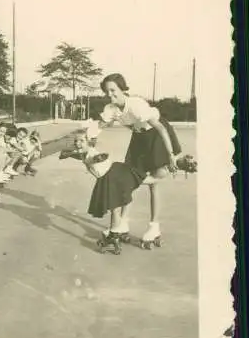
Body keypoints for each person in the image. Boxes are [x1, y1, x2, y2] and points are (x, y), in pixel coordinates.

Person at [90, 72, 190, 248]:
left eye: (113, 90)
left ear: (122, 88)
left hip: (157, 136)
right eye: (107, 91)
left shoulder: (136, 105)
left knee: (154, 183)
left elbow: (160, 128)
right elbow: (100, 126)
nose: (110, 95)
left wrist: (171, 155)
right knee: (129, 179)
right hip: (139, 138)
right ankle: (122, 223)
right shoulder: (111, 109)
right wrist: (89, 138)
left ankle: (154, 227)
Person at [62, 132, 146, 254]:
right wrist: (70, 154)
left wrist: (97, 158)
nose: (77, 143)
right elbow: (79, 154)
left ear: (88, 141)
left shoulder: (91, 153)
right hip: (111, 175)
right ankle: (117, 231)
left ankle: (114, 237)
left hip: (112, 176)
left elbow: (99, 157)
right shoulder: (83, 152)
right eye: (76, 141)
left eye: (81, 141)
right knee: (120, 203)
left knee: (115, 208)